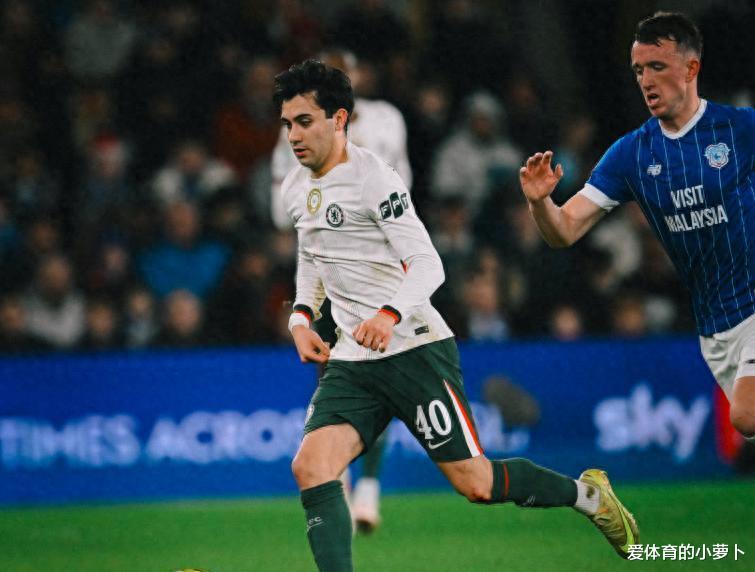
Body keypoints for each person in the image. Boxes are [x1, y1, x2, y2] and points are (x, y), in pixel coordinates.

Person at [275, 59, 639, 571]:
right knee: (311, 466)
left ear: (338, 120)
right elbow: (313, 256)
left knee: (477, 483)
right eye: (287, 123)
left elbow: (429, 264)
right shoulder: (295, 186)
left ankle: (588, 496)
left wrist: (388, 314)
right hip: (354, 359)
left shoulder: (374, 179)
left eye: (304, 121)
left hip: (414, 349)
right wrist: (300, 317)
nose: (293, 135)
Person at [519, 11, 755, 443]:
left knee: (746, 415)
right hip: (716, 328)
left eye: (657, 67)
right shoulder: (631, 155)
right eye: (638, 70)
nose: (646, 80)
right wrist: (540, 203)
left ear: (691, 68)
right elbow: (564, 230)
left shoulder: (740, 128)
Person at [271, 48, 412, 532]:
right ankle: (341, 480)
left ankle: (368, 485)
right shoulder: (297, 133)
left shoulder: (388, 120)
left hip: (381, 264)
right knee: (334, 372)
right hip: (326, 265)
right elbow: (281, 205)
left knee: (382, 372)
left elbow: (403, 183)